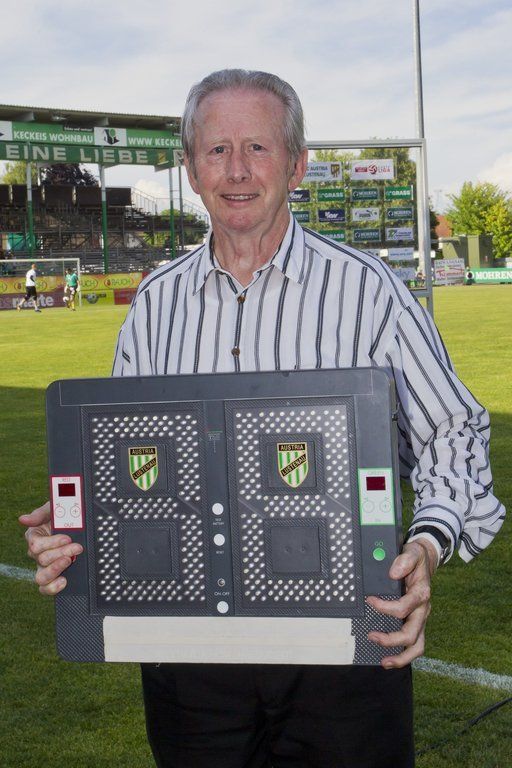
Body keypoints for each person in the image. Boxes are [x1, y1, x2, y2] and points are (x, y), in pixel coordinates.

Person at [20, 70, 504, 768]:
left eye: (258, 147)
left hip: (345, 648)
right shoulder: (155, 305)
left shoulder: (368, 291)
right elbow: (131, 461)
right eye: (216, 150)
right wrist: (77, 523)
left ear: (297, 164)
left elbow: (452, 433)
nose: (237, 170)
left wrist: (426, 546)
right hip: (188, 660)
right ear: (191, 170)